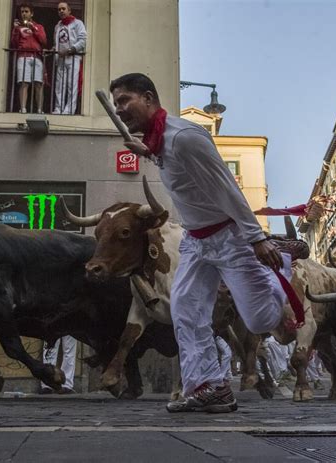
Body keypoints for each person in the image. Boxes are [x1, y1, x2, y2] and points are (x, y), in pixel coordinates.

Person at [110, 73, 309, 413]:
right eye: (115, 104)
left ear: (148, 97)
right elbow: (178, 170)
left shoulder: (187, 137)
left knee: (260, 321)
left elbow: (226, 189)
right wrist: (148, 152)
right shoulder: (160, 142)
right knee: (184, 311)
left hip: (231, 238)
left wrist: (256, 237)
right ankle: (210, 387)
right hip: (196, 241)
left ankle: (279, 262)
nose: (119, 109)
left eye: (125, 101)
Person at [11, 3, 47, 114]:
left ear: (32, 13)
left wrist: (34, 29)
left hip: (37, 57)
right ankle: (23, 108)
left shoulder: (39, 27)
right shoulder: (19, 28)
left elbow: (44, 41)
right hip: (23, 56)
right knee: (23, 83)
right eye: (22, 12)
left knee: (38, 84)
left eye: (26, 11)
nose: (24, 14)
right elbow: (14, 44)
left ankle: (40, 109)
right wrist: (16, 30)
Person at [52, 2, 87, 115]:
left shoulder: (78, 23)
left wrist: (70, 50)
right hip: (61, 59)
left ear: (69, 10)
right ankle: (59, 108)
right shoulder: (58, 26)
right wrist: (54, 49)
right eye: (59, 9)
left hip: (73, 57)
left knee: (72, 85)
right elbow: (57, 42)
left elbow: (82, 41)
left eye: (63, 9)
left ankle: (69, 109)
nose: (61, 11)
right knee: (59, 85)